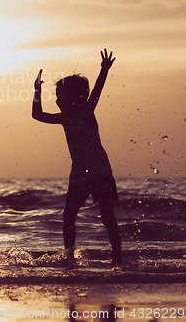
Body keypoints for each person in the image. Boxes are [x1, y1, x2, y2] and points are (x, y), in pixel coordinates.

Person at [31, 49, 123, 265]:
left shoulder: (86, 112)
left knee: (107, 216)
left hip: (100, 172)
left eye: (60, 96)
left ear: (76, 97)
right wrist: (36, 91)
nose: (57, 100)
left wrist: (104, 70)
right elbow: (36, 115)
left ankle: (117, 257)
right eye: (56, 96)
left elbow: (97, 92)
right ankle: (70, 258)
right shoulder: (64, 119)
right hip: (79, 175)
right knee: (68, 216)